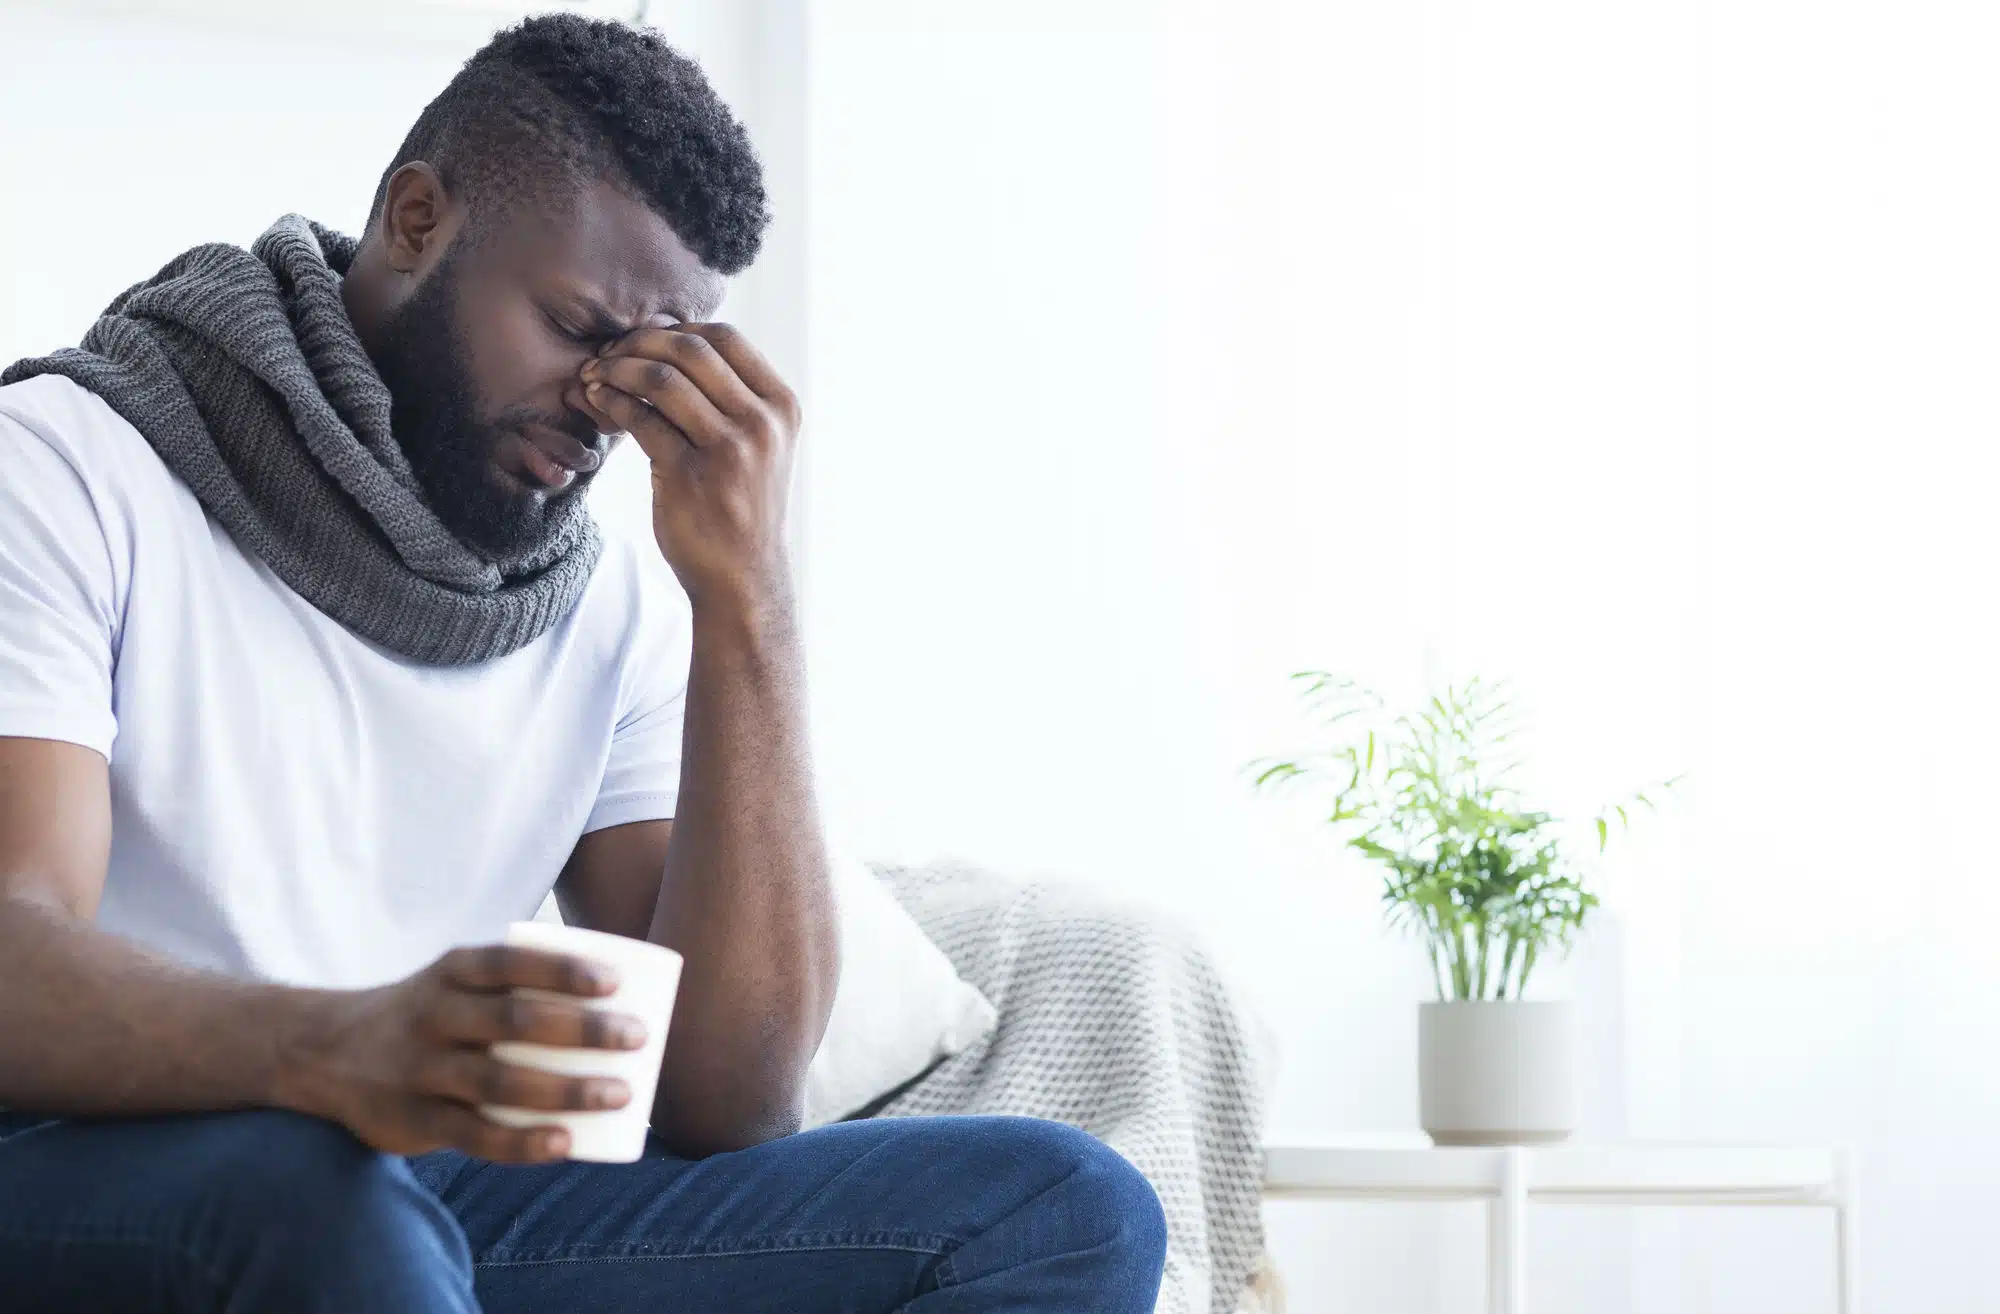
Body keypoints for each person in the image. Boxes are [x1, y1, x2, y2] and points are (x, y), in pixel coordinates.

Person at [0, 14, 1166, 1312]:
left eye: (650, 364)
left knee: (1064, 1207)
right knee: (319, 1198)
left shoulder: (606, 596)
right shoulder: (69, 465)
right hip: (93, 1163)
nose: (607, 406)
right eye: (575, 326)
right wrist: (341, 1045)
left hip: (420, 1186)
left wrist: (750, 603)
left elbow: (735, 1099)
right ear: (418, 217)